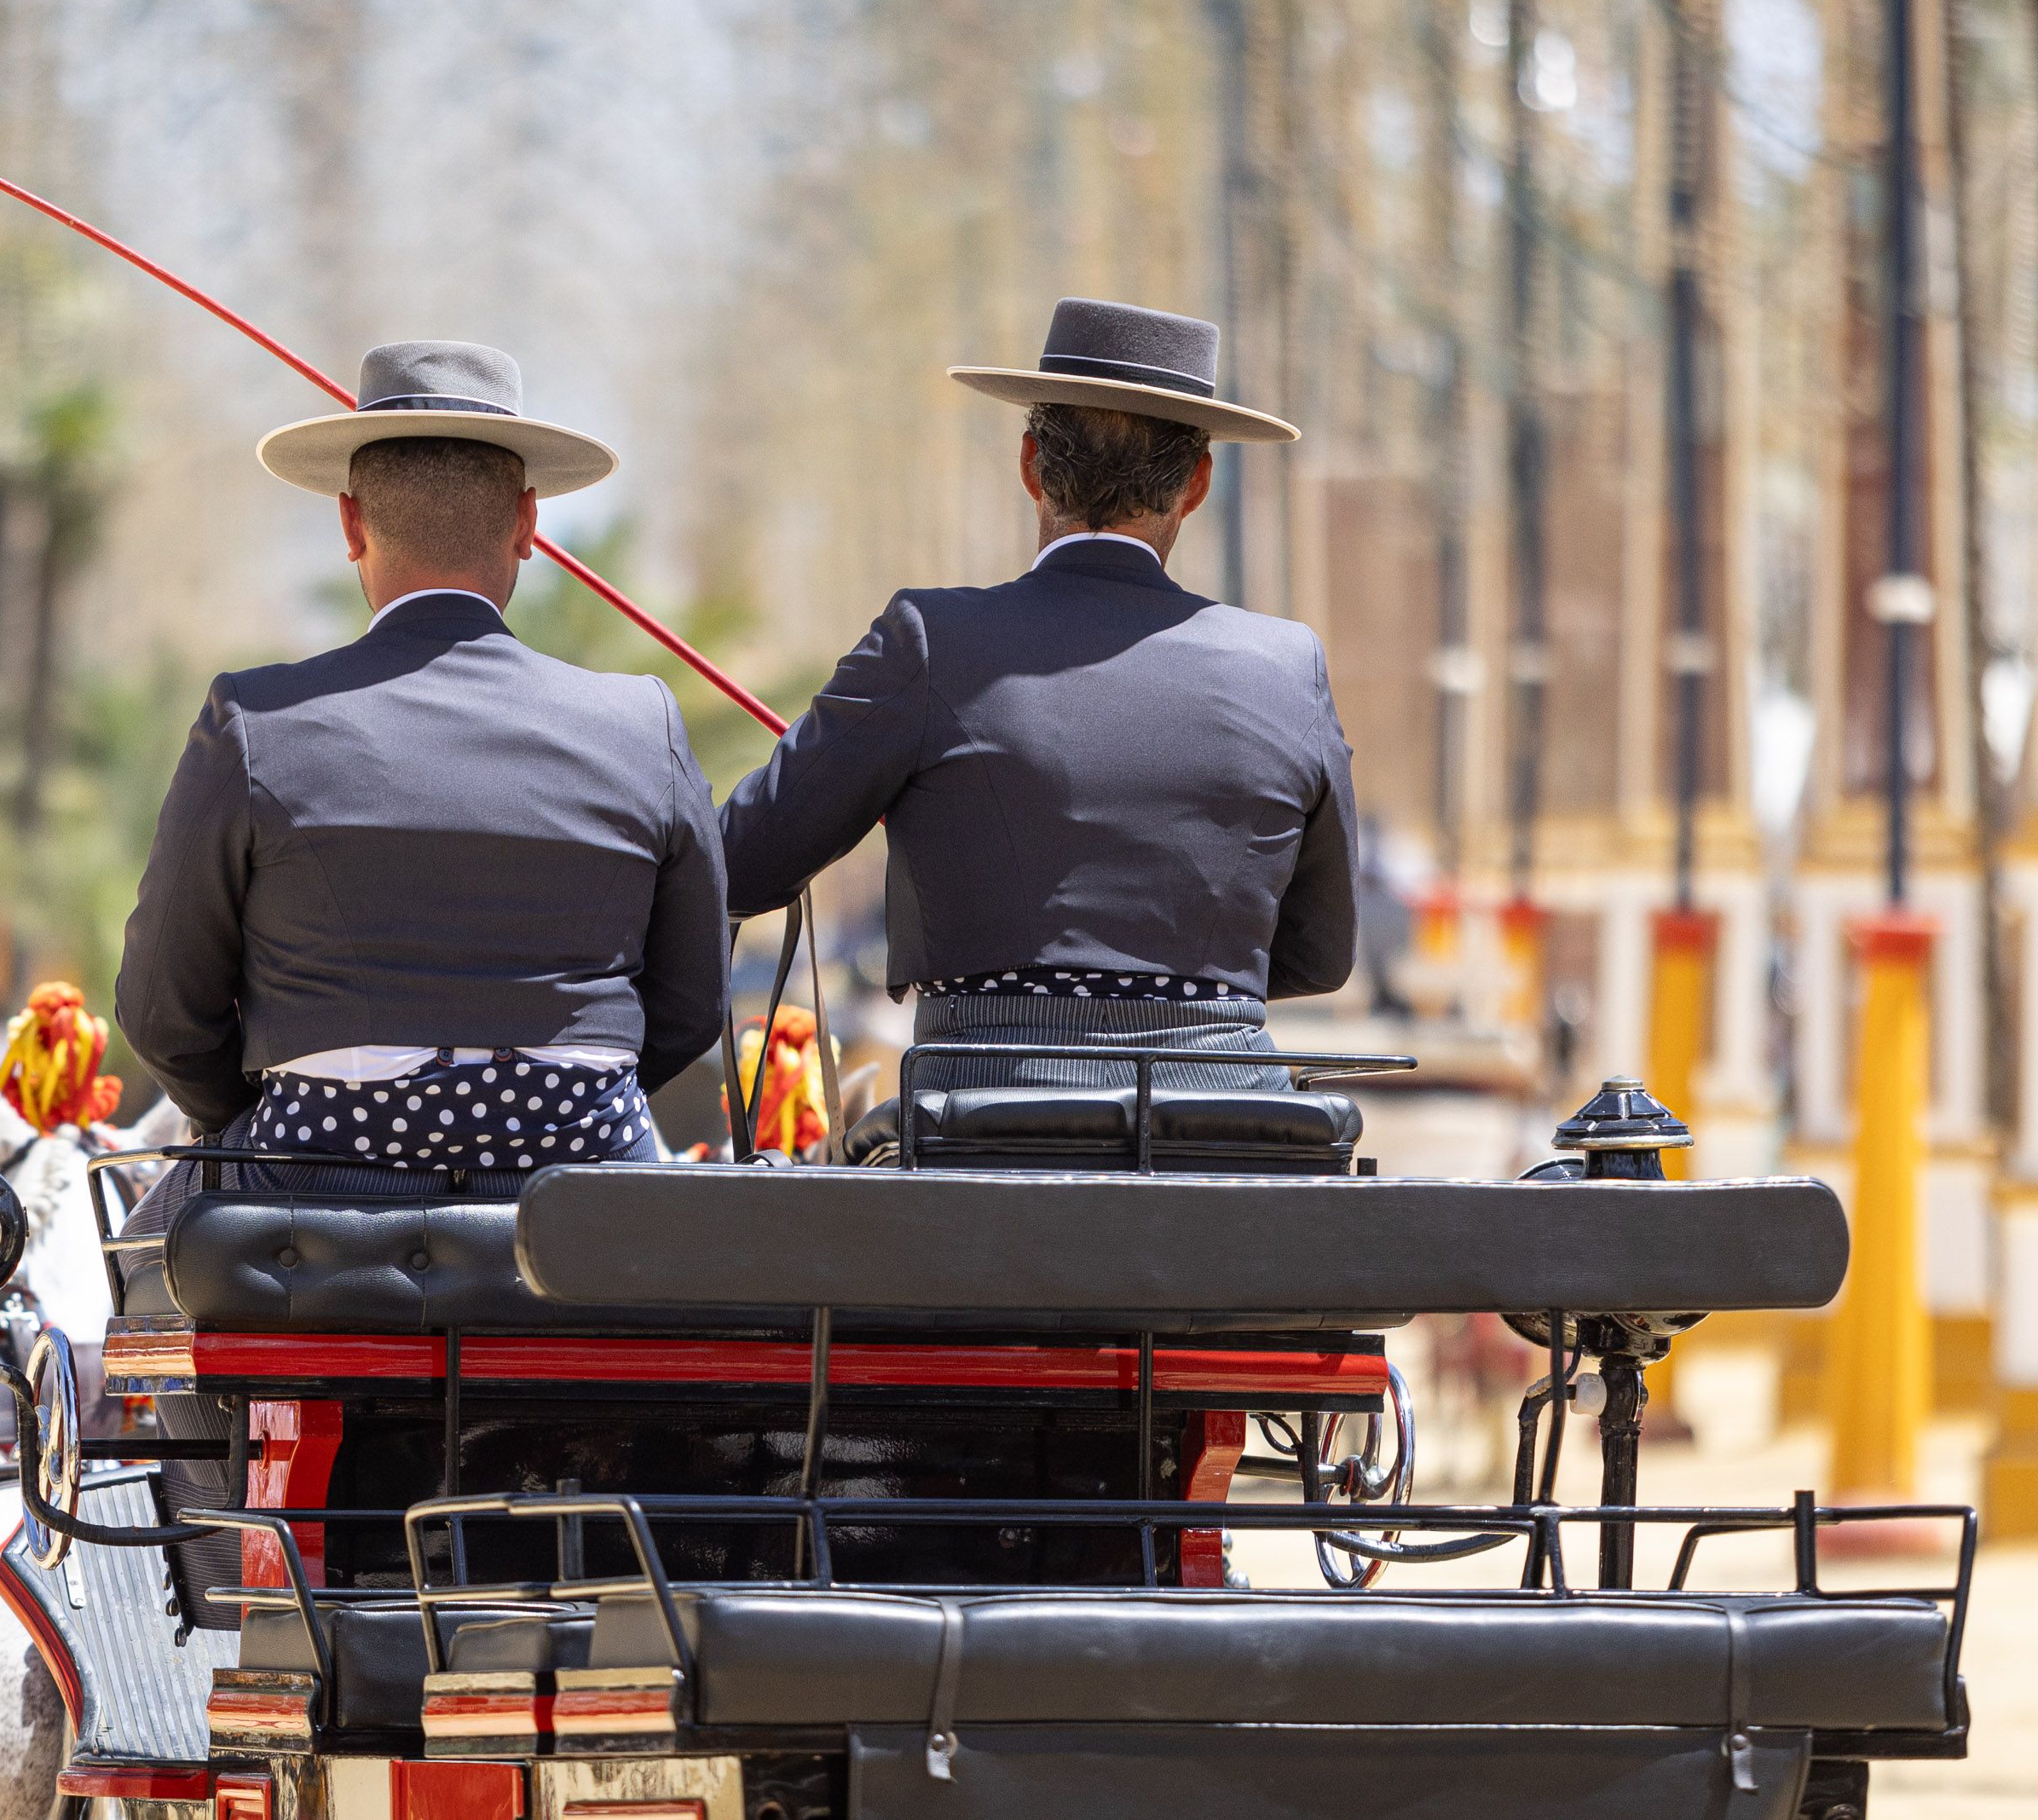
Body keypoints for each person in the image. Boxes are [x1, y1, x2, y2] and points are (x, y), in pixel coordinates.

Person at [113, 339, 729, 1201]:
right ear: (526, 526)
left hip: (312, 1193)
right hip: (583, 1200)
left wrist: (268, 1108)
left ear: (351, 523)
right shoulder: (642, 725)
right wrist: (557, 1105)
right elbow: (693, 1004)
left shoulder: (254, 723)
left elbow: (160, 1013)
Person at [719, 297, 1357, 1092]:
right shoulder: (1289, 666)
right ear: (1196, 484)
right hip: (1222, 1122)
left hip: (983, 1121)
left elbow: (741, 866)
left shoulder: (929, 637)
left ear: (1030, 466)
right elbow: (1319, 953)